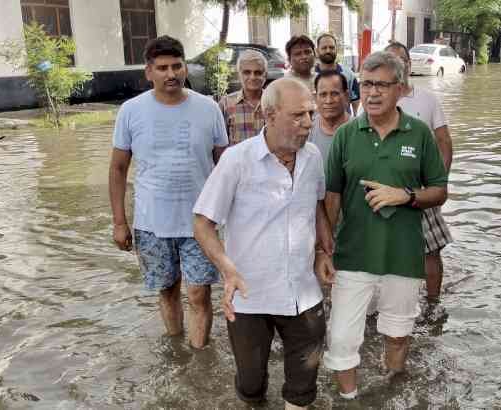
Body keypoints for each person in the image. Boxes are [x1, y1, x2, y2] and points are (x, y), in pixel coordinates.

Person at [193, 78, 335, 410]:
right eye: (297, 115)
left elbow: (314, 205)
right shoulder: (236, 160)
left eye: (310, 114)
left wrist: (320, 251)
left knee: (303, 385)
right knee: (251, 384)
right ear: (269, 115)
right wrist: (227, 269)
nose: (308, 123)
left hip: (303, 293)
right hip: (249, 295)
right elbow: (202, 223)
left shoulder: (312, 157)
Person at [322, 51, 448, 399]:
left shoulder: (419, 134)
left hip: (402, 255)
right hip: (352, 255)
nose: (372, 93)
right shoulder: (346, 135)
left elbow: (440, 191)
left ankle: (391, 391)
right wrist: (323, 250)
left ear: (400, 89)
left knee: (397, 332)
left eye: (381, 85)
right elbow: (330, 198)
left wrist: (404, 195)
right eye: (365, 84)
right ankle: (349, 400)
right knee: (343, 338)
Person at [108, 36, 228, 347]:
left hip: (200, 221)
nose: (171, 73)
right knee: (168, 290)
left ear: (185, 68)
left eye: (177, 66)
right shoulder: (131, 111)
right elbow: (118, 168)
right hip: (152, 223)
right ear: (148, 72)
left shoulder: (208, 108)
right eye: (162, 68)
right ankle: (176, 348)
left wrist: (232, 215)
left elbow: (224, 165)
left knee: (199, 293)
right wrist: (119, 221)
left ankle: (198, 355)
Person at [385, 42, 454, 320]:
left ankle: (433, 304)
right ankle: (393, 307)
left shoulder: (427, 100)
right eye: (392, 60)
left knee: (431, 250)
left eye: (402, 60)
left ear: (409, 65)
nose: (398, 65)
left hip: (422, 189)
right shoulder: (376, 98)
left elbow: (445, 142)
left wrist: (439, 183)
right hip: (387, 190)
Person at [218, 50, 267, 145]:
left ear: (265, 75)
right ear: (238, 75)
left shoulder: (275, 102)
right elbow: (220, 144)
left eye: (258, 72)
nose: (252, 77)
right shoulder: (226, 104)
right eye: (247, 72)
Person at [309, 70, 351, 161]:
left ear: (346, 96)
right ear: (315, 98)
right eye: (323, 95)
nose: (329, 101)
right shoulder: (307, 130)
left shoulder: (358, 131)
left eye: (334, 94)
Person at [314, 33, 361, 114]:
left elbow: (356, 105)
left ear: (336, 49)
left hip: (345, 125)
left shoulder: (349, 74)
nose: (328, 51)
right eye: (324, 48)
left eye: (331, 47)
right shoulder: (311, 75)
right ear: (317, 50)